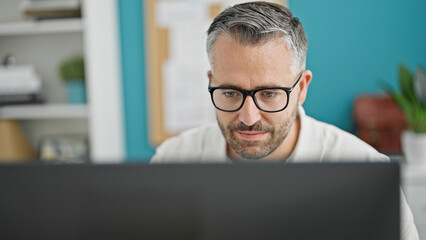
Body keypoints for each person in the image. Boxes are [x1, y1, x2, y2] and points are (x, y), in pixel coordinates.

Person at [150, 2, 419, 239]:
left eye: (269, 94)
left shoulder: (366, 172)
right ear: (211, 82)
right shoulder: (171, 162)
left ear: (302, 88)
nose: (248, 117)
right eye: (230, 93)